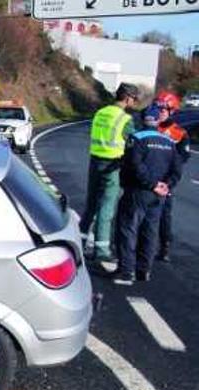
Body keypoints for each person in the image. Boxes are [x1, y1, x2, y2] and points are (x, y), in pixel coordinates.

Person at [113, 104, 181, 284]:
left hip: (138, 191)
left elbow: (134, 165)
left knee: (127, 229)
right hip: (159, 195)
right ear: (158, 119)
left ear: (143, 119)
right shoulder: (168, 142)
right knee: (150, 232)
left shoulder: (136, 138)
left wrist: (151, 185)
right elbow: (177, 169)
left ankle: (126, 271)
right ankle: (144, 270)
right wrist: (166, 185)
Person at [79, 82, 140, 263]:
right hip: (113, 165)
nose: (134, 103)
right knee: (106, 207)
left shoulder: (100, 113)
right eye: (134, 99)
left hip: (95, 161)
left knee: (91, 205)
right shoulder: (124, 119)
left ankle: (80, 243)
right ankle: (102, 250)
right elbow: (133, 143)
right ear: (128, 98)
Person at [152, 90, 191, 262]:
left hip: (166, 180)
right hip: (146, 178)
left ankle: (165, 246)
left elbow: (182, 159)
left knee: (164, 215)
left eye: (163, 110)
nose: (159, 113)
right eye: (157, 108)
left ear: (171, 111)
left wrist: (169, 181)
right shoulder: (148, 127)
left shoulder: (179, 133)